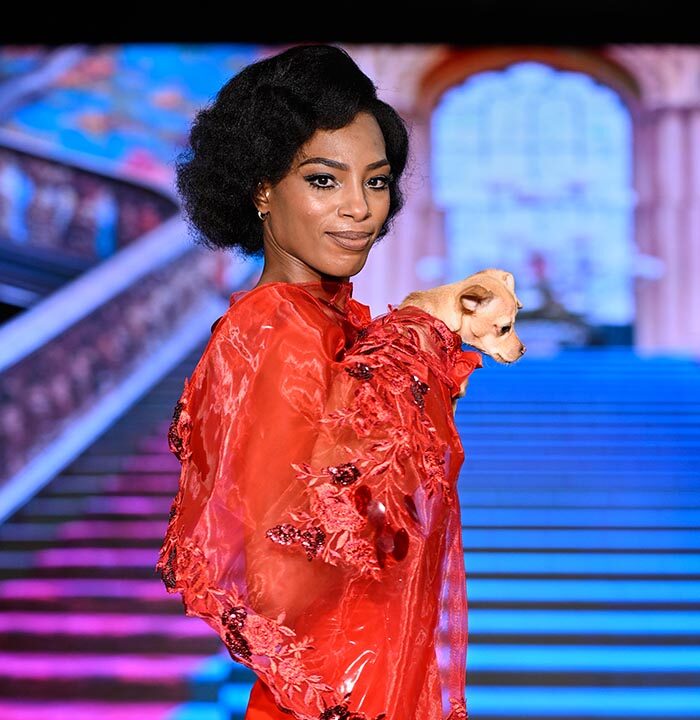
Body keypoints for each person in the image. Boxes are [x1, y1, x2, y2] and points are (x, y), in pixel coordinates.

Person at [156, 43, 481, 720]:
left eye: (376, 182)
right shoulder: (282, 328)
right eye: (325, 180)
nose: (359, 208)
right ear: (261, 189)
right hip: (331, 699)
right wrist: (405, 359)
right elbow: (277, 587)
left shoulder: (328, 327)